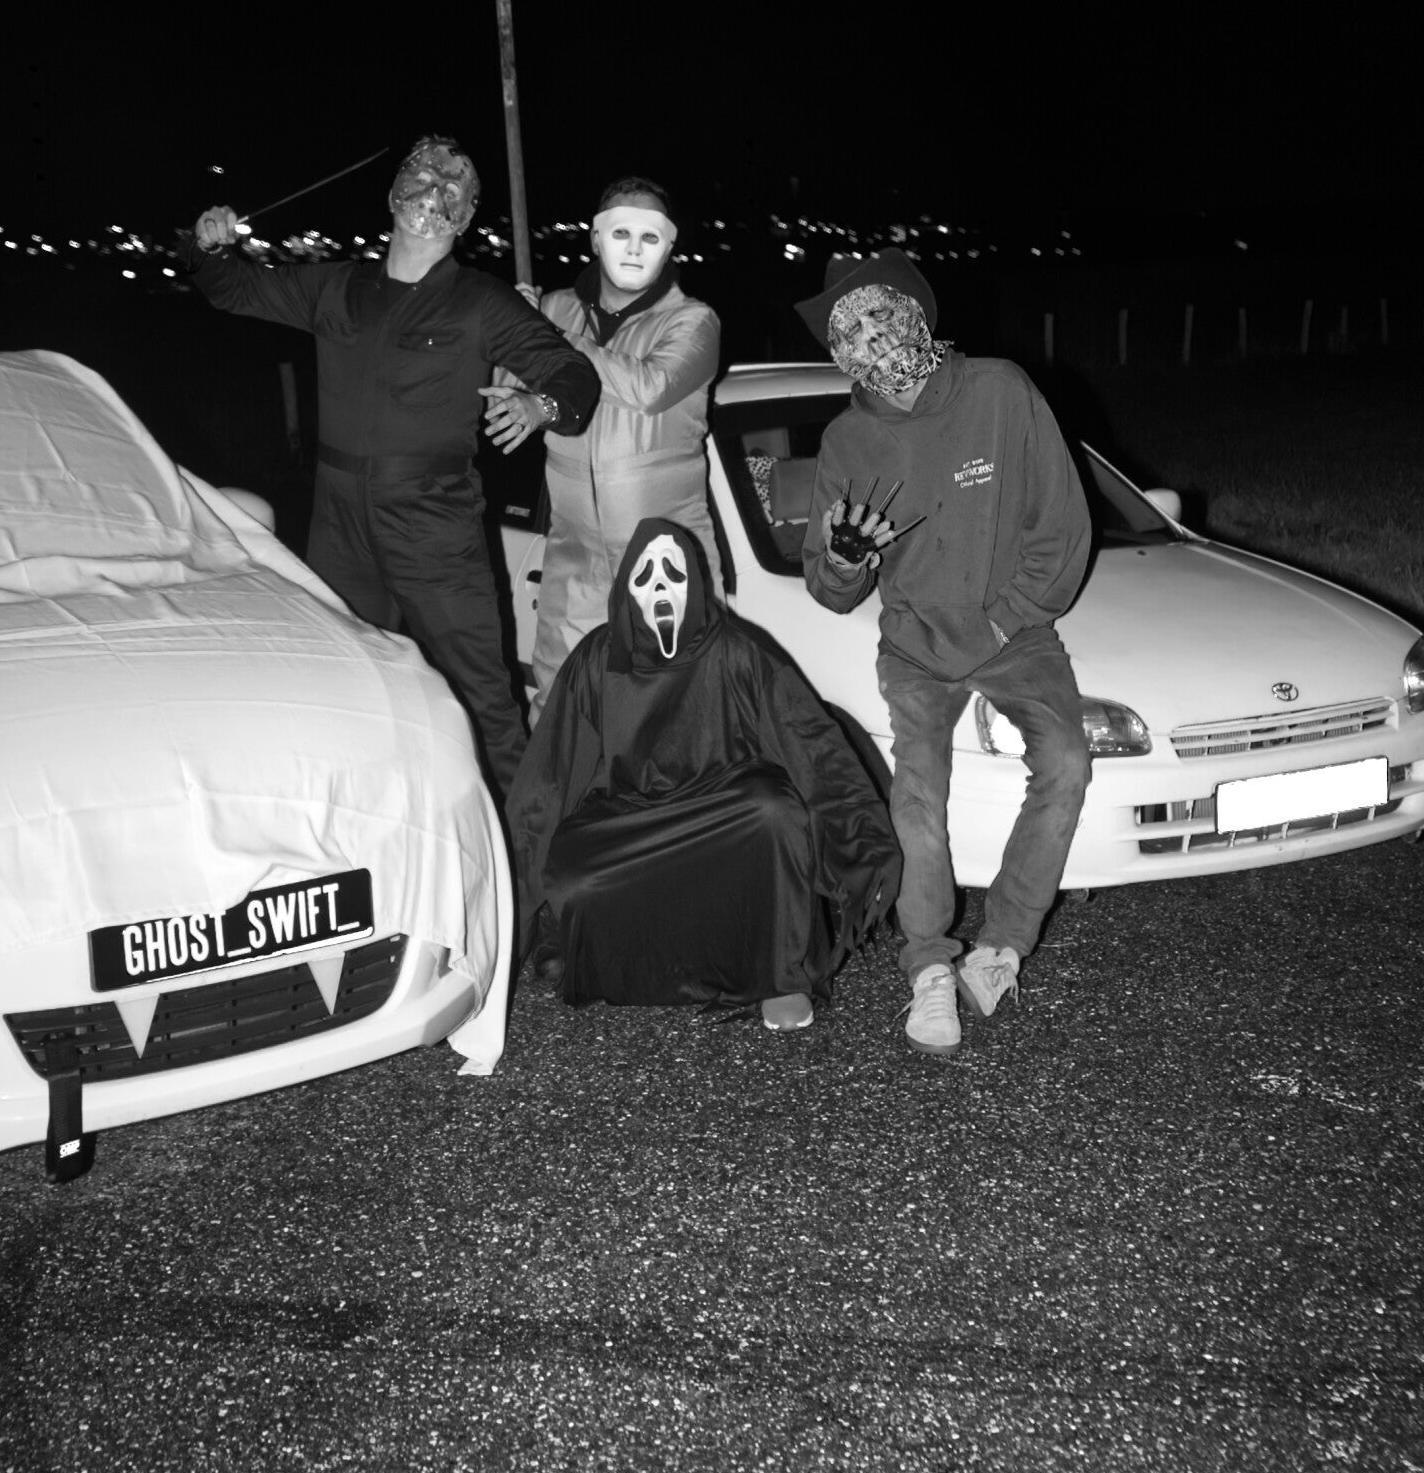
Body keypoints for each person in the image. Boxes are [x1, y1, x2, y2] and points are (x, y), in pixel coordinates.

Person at [182, 135, 598, 796]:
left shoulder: (482, 300)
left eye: (454, 186)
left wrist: (538, 404)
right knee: (344, 683)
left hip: (435, 526)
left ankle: (531, 848)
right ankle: (375, 818)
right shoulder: (337, 286)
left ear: (466, 215)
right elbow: (232, 288)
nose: (435, 190)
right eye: (423, 175)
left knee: (483, 701)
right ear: (393, 193)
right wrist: (208, 247)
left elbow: (574, 377)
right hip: (338, 525)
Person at [797, 251, 1092, 1060]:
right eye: (849, 330)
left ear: (917, 313)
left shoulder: (1001, 391)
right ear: (837, 353)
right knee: (917, 799)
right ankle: (929, 966)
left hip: (1014, 634)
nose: (872, 337)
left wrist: (1002, 623)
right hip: (917, 644)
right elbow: (829, 586)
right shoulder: (846, 439)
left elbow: (1063, 529)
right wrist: (846, 559)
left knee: (1067, 761)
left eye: (881, 314)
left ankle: (1002, 947)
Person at [508, 517, 899, 1032]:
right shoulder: (598, 660)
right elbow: (549, 778)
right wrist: (506, 914)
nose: (661, 587)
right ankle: (631, 967)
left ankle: (780, 976)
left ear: (694, 582)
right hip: (635, 816)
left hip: (724, 812)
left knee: (774, 813)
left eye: (673, 573)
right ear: (627, 589)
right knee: (575, 877)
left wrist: (862, 845)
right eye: (646, 576)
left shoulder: (737, 650)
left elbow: (810, 744)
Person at [503, 175, 721, 715]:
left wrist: (548, 338)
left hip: (663, 559)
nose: (634, 248)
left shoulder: (694, 321)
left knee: (668, 711)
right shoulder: (552, 308)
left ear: (669, 246)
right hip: (571, 553)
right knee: (559, 704)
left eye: (650, 237)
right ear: (596, 239)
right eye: (620, 232)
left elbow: (650, 388)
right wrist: (511, 330)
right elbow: (504, 396)